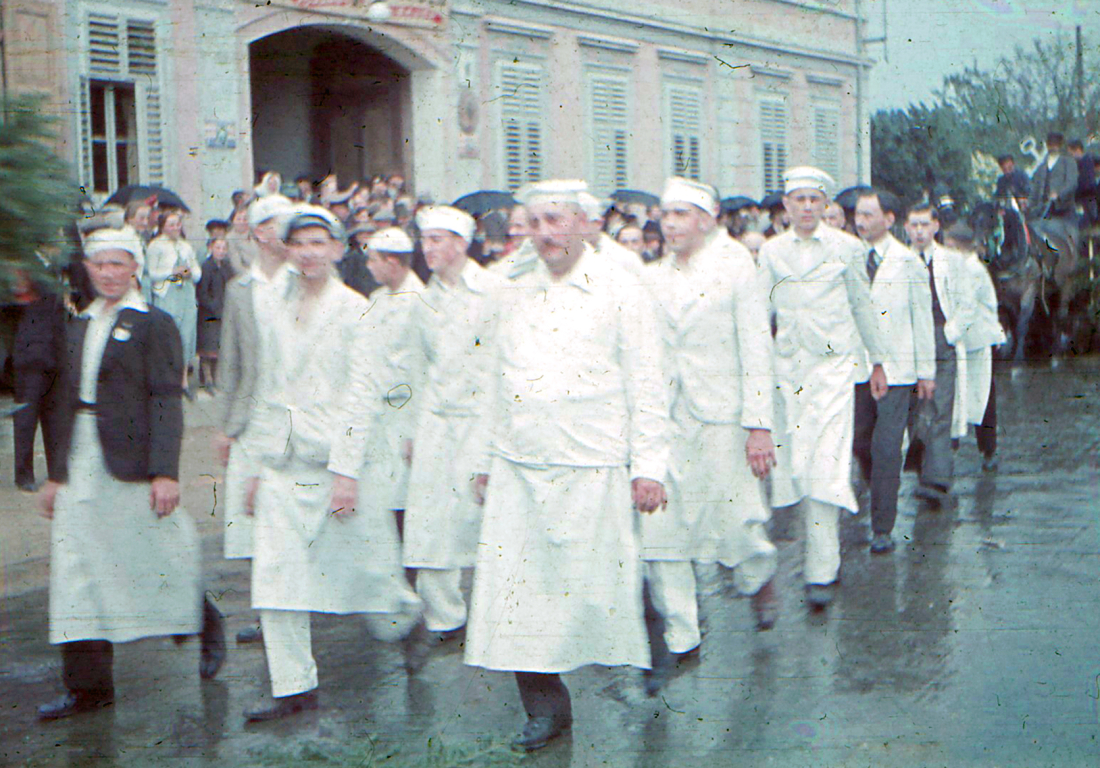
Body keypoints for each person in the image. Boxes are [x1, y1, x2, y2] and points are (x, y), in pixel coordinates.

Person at [465, 180, 670, 751]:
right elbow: (491, 380)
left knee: (603, 583)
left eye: (555, 220)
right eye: (534, 222)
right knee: (518, 594)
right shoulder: (509, 291)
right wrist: (484, 459)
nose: (544, 234)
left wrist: (648, 466)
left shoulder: (620, 290)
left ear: (586, 223)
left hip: (593, 461)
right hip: (519, 462)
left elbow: (648, 383)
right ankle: (545, 707)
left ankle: (653, 639)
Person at [36, 228, 224, 720]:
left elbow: (166, 399)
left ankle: (202, 619)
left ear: (136, 268)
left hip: (132, 456)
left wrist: (165, 472)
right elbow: (60, 402)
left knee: (155, 546)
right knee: (76, 564)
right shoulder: (77, 324)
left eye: (118, 264)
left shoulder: (154, 323)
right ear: (89, 269)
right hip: (80, 451)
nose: (108, 273)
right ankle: (89, 688)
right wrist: (55, 473)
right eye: (100, 264)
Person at [241, 205, 410, 721]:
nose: (309, 253)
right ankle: (293, 687)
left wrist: (346, 472)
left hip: (333, 460)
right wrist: (253, 464)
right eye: (299, 243)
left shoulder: (355, 308)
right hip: (280, 458)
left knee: (370, 570)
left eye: (319, 243)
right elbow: (264, 386)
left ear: (338, 250)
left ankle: (410, 618)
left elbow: (363, 395)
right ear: (286, 250)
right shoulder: (271, 303)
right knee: (276, 576)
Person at [641, 177, 779, 685]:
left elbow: (756, 346)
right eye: (664, 214)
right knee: (661, 528)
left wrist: (758, 426)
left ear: (706, 218)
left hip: (722, 414)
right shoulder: (653, 275)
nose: (669, 223)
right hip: (666, 416)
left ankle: (758, 576)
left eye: (679, 214)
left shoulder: (736, 266)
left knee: (737, 522)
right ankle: (683, 637)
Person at [757, 167, 887, 609]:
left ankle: (821, 571)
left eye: (815, 199)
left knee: (825, 467)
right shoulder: (772, 252)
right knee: (796, 468)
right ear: (787, 206)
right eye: (799, 200)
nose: (807, 207)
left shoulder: (847, 248)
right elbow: (759, 315)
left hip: (833, 370)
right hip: (789, 372)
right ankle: (816, 562)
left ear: (826, 204)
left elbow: (862, 305)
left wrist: (879, 360)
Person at [402, 206, 502, 645]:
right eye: (425, 241)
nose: (429, 249)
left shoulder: (492, 290)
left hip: (483, 419)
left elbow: (501, 365)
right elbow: (418, 367)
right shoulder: (424, 298)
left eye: (438, 240)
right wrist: (412, 428)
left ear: (461, 244)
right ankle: (444, 617)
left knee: (484, 517)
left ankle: (498, 614)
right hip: (436, 421)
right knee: (430, 520)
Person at [213, 194, 294, 644]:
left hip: (294, 417)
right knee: (250, 520)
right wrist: (225, 426)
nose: (288, 236)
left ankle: (293, 606)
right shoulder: (239, 289)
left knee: (288, 514)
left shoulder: (304, 283)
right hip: (250, 416)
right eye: (280, 227)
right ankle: (269, 615)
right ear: (259, 233)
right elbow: (230, 362)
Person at [851, 190, 936, 554]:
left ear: (888, 219)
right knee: (860, 443)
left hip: (899, 371)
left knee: (886, 447)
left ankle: (882, 527)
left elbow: (922, 319)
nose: (860, 221)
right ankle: (878, 494)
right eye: (858, 214)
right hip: (857, 370)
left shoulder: (907, 263)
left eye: (869, 215)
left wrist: (926, 371)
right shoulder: (848, 258)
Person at [903, 204, 972, 506]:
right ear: (906, 227)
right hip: (908, 342)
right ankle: (923, 469)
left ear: (935, 227)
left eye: (924, 225)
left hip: (940, 336)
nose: (918, 231)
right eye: (913, 225)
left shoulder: (952, 261)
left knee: (941, 407)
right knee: (916, 408)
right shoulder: (900, 261)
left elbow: (967, 304)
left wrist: (949, 333)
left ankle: (938, 479)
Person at [362, 227, 426, 540]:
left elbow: (421, 371)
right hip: (377, 412)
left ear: (392, 261)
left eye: (373, 260)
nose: (368, 266)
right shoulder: (376, 299)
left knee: (405, 499)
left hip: (405, 412)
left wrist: (415, 430)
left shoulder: (419, 301)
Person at [943, 222, 1004, 473]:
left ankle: (988, 450)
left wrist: (949, 333)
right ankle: (952, 448)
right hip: (965, 341)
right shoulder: (960, 267)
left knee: (981, 396)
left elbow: (966, 309)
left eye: (947, 246)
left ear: (958, 247)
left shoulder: (971, 269)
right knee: (959, 394)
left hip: (978, 341)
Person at [10, 272, 65, 493]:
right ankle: (23, 475)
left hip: (55, 356)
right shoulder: (25, 266)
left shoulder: (56, 267)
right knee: (26, 419)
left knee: (54, 420)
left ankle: (56, 473)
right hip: (29, 358)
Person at [146, 210, 202, 393]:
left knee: (186, 335)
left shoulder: (185, 246)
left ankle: (184, 380)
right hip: (167, 294)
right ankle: (167, 377)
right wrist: (172, 271)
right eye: (171, 224)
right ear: (162, 227)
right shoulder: (155, 246)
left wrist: (190, 273)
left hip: (186, 293)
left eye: (178, 224)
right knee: (169, 335)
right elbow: (151, 274)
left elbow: (196, 271)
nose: (176, 227)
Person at [196, 235, 234, 390]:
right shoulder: (206, 267)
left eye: (224, 248)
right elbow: (202, 293)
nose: (221, 251)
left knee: (219, 346)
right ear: (211, 248)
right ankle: (207, 378)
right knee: (208, 346)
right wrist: (214, 307)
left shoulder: (226, 266)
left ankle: (216, 376)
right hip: (209, 313)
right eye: (218, 248)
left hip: (224, 311)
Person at [1068, 139, 1097, 226]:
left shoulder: (1086, 162)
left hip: (1087, 203)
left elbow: (1087, 184)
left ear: (1077, 150)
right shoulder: (1078, 164)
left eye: (1071, 153)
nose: (1071, 156)